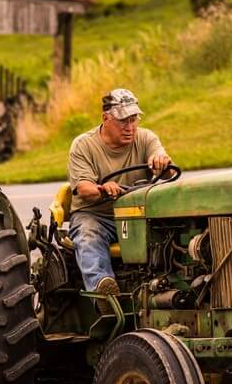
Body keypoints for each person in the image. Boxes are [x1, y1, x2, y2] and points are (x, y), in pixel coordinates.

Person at [67, 88, 171, 305]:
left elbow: (167, 169)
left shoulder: (145, 138)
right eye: (124, 121)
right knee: (88, 235)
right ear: (106, 118)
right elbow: (84, 189)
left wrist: (161, 162)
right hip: (97, 215)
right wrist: (103, 188)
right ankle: (104, 294)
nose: (130, 127)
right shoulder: (84, 145)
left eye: (133, 120)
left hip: (138, 215)